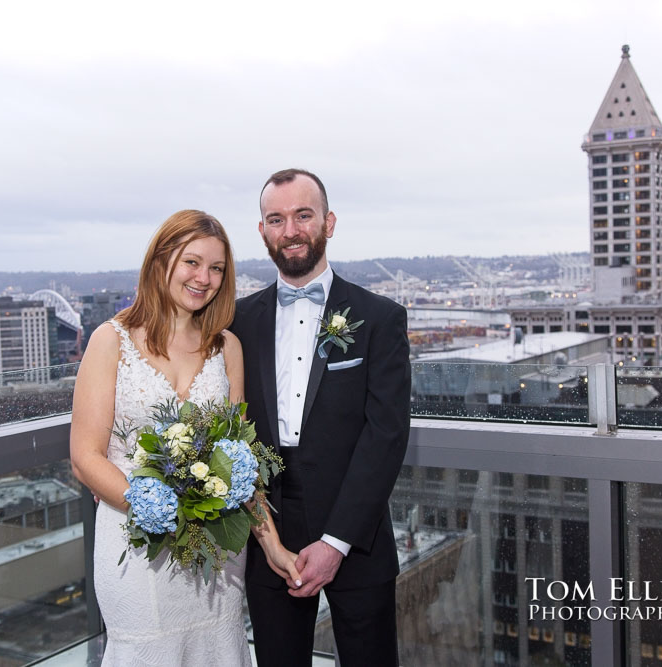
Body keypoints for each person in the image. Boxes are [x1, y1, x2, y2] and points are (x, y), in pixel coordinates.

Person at [70, 209, 301, 666]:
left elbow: (240, 460)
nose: (205, 278)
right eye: (192, 262)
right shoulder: (110, 340)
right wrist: (167, 511)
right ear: (161, 261)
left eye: (217, 268)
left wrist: (270, 543)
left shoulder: (226, 348)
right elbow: (85, 457)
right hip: (137, 548)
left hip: (214, 555)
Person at [232, 170, 411, 667]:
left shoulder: (379, 317)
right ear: (263, 231)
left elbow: (387, 435)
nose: (290, 229)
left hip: (358, 532)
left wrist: (336, 542)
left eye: (303, 215)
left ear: (328, 223)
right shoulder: (236, 322)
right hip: (266, 529)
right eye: (276, 219)